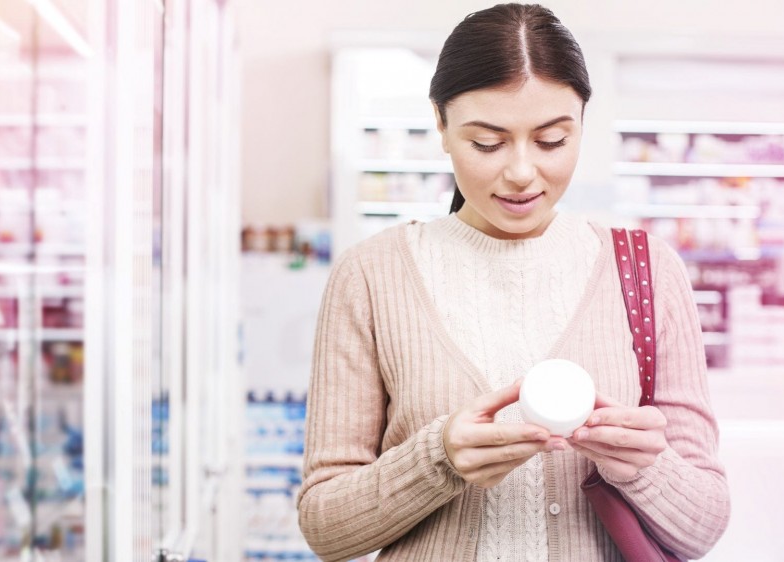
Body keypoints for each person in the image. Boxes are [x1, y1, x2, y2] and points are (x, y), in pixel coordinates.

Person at [297, 4, 730, 561]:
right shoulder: (371, 275)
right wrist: (438, 460)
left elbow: (704, 526)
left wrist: (643, 468)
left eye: (551, 141)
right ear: (441, 124)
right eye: (487, 143)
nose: (522, 172)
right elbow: (325, 528)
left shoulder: (647, 271)